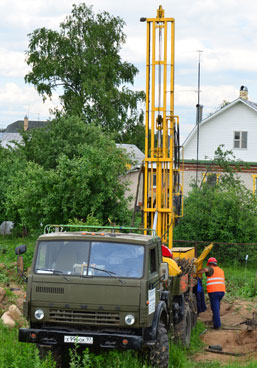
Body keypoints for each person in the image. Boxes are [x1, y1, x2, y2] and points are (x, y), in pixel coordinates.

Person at [197, 257, 225, 329]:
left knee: (215, 308)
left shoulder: (211, 268)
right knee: (216, 306)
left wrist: (196, 272)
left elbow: (205, 270)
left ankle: (217, 325)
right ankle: (215, 320)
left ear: (210, 264)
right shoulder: (221, 270)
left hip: (214, 292)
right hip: (221, 291)